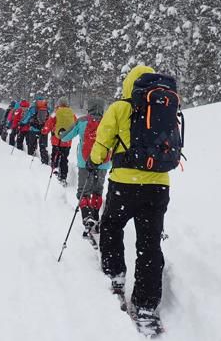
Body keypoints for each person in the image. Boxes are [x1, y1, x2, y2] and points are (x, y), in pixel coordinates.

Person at [88, 65, 175, 324]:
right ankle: (146, 306)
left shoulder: (119, 108)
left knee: (113, 225)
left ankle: (115, 274)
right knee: (149, 243)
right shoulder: (165, 107)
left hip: (124, 183)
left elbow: (101, 147)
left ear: (129, 85)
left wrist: (95, 160)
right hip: (158, 185)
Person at [60, 98, 110, 237]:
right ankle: (95, 216)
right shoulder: (108, 122)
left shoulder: (82, 121)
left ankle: (87, 218)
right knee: (98, 190)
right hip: (103, 162)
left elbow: (65, 137)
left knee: (83, 191)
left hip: (85, 162)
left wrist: (60, 133)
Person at [42, 97, 76, 185]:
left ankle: (54, 172)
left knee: (55, 157)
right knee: (64, 159)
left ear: (59, 103)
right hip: (67, 142)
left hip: (56, 141)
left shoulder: (56, 113)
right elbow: (75, 125)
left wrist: (44, 131)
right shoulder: (71, 113)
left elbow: (49, 124)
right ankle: (63, 177)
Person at [20, 96, 51, 164]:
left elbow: (27, 117)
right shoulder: (47, 108)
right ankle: (45, 162)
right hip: (43, 130)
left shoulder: (33, 108)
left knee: (31, 145)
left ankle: (30, 158)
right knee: (43, 147)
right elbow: (49, 119)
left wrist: (22, 123)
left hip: (33, 129)